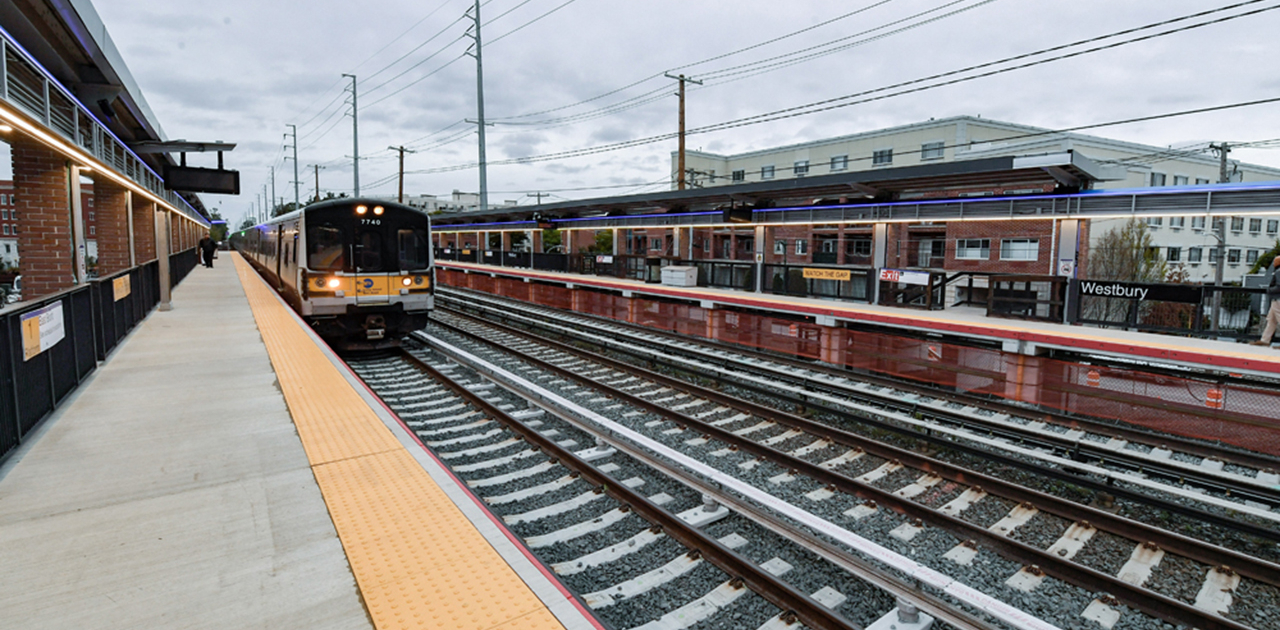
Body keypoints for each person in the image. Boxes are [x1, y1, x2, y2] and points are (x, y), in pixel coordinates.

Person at [1251, 255, 1280, 347]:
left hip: (1277, 299)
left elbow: (1279, 287)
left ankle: (1265, 340)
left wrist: (1269, 290)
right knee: (1271, 320)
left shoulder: (1278, 272)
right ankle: (1265, 340)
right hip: (1276, 299)